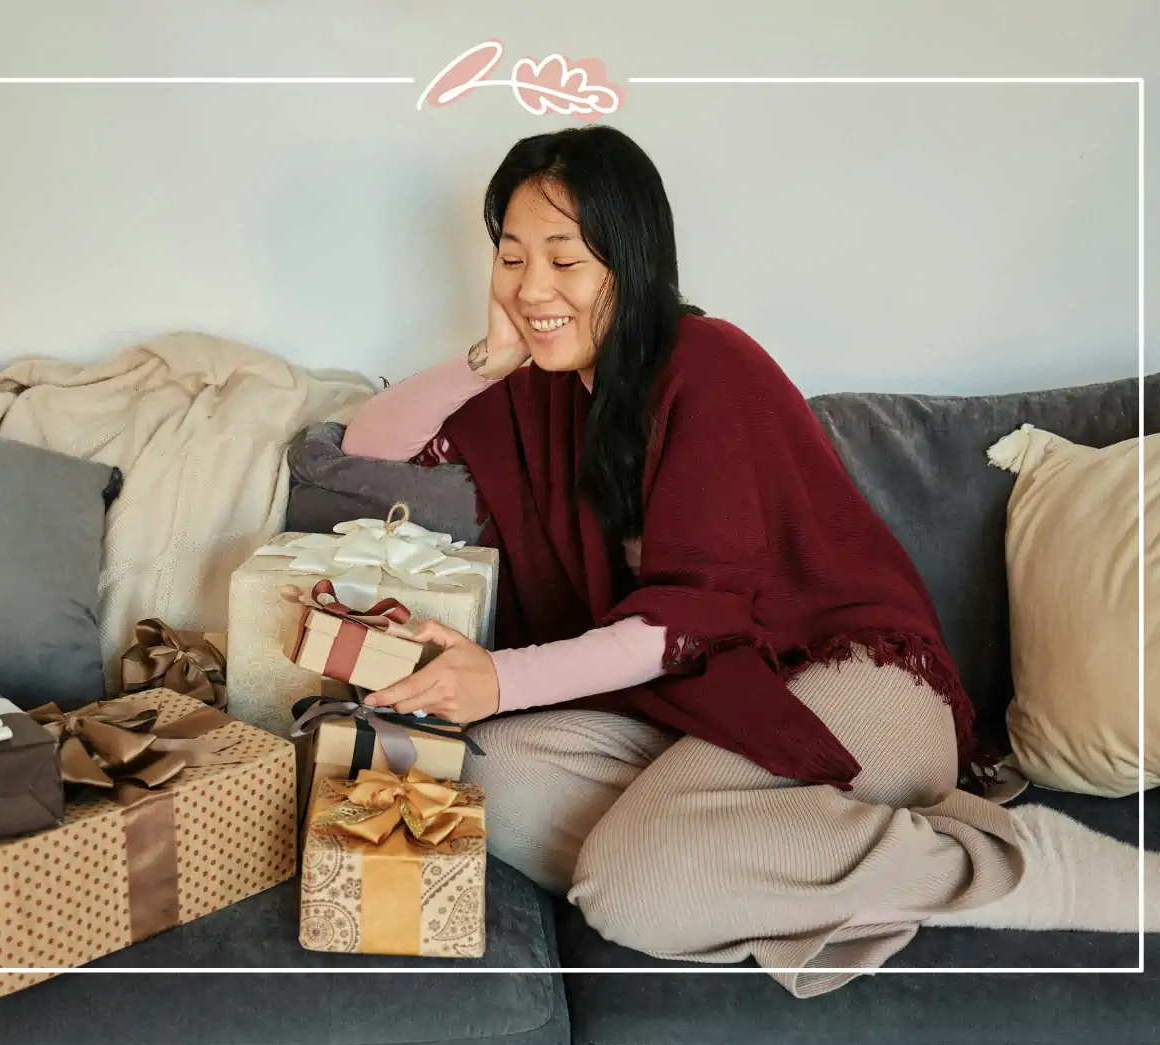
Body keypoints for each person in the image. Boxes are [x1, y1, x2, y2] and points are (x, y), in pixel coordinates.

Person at [343, 125, 1024, 997]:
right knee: (481, 772)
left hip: (852, 683)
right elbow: (371, 446)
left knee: (625, 890)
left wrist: (500, 679)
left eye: (566, 260)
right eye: (511, 259)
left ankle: (968, 858)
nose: (531, 288)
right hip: (700, 704)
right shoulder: (541, 392)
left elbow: (678, 623)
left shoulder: (708, 364)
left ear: (630, 263)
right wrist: (493, 356)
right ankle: (769, 862)